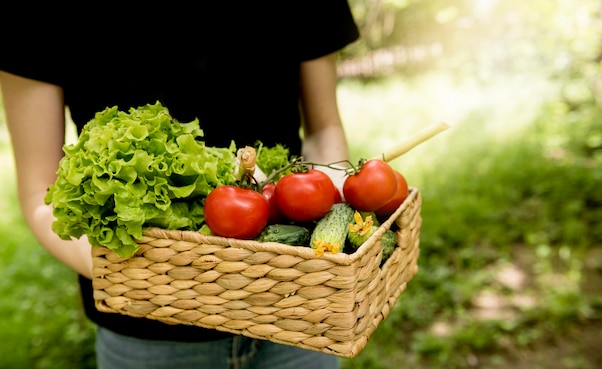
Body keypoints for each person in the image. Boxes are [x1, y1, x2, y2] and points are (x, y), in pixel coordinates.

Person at [0, 3, 359, 368]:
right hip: (148, 332)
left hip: (296, 306)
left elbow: (324, 129)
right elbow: (41, 195)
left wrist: (320, 233)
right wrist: (157, 275)